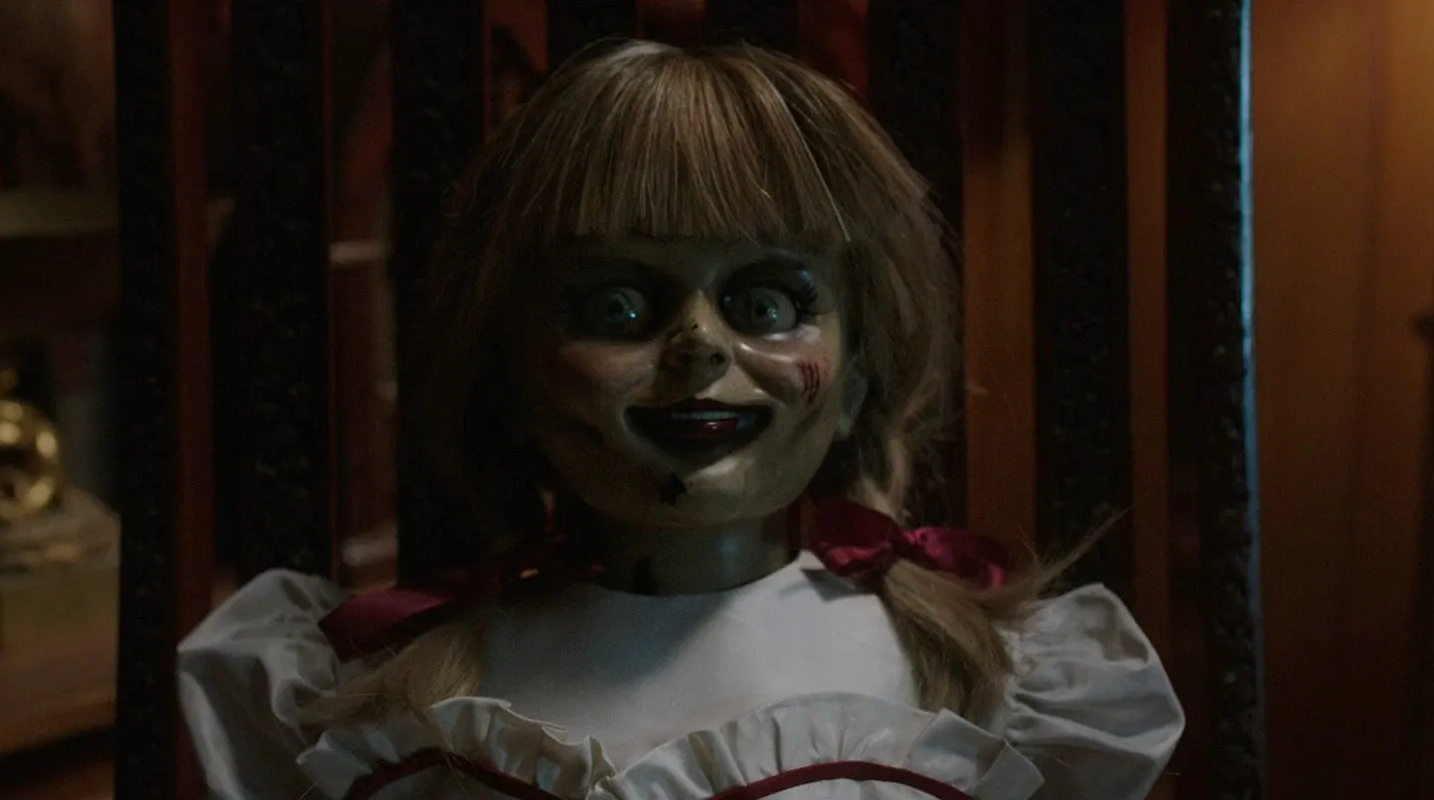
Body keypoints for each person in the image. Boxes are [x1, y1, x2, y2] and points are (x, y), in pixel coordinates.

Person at [179, 40, 1183, 800]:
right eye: (618, 305)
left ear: (859, 370)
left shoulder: (1003, 684)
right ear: (508, 366)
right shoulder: (372, 696)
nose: (699, 346)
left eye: (767, 302)